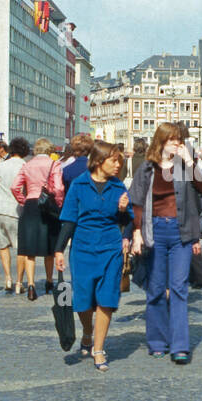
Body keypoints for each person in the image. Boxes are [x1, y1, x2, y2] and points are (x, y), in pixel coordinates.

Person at [130, 121, 202, 364]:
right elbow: (138, 203)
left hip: (181, 233)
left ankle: (180, 345)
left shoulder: (184, 166)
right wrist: (136, 233)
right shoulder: (147, 169)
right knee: (154, 289)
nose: (178, 144)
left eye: (180, 140)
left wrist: (191, 161)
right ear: (162, 141)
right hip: (155, 232)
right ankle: (156, 341)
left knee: (178, 288)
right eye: (173, 140)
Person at [55, 139, 133, 370]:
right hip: (83, 248)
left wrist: (122, 211)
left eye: (119, 160)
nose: (118, 164)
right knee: (83, 300)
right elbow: (69, 219)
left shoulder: (119, 187)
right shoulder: (79, 185)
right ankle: (87, 331)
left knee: (106, 299)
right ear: (99, 161)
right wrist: (59, 249)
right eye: (114, 160)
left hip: (110, 248)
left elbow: (127, 220)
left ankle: (98, 349)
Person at [12, 138, 65, 299]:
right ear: (49, 150)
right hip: (48, 206)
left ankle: (31, 286)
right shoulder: (54, 164)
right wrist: (58, 204)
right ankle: (49, 281)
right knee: (50, 246)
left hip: (30, 206)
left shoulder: (26, 165)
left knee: (30, 249)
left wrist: (24, 200)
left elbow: (15, 187)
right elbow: (58, 188)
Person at [0, 137, 29, 292]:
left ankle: (8, 279)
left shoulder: (1, 165)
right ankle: (19, 282)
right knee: (21, 248)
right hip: (17, 210)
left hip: (0, 208)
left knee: (3, 246)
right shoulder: (25, 166)